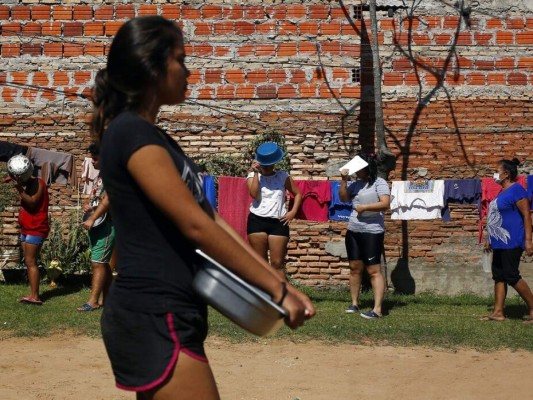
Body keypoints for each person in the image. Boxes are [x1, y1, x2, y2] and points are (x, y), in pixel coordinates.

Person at [91, 16, 315, 399]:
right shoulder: (129, 133)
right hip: (153, 311)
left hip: (173, 309)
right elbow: (195, 225)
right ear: (153, 66)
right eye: (180, 59)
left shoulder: (157, 138)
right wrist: (276, 290)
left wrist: (278, 282)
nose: (189, 70)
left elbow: (211, 218)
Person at [339, 153, 390, 319]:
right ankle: (354, 303)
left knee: (374, 270)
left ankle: (377, 309)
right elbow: (344, 198)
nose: (356, 172)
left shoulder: (379, 183)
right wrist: (344, 181)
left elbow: (385, 203)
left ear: (367, 168)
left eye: (358, 168)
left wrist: (365, 207)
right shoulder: (356, 184)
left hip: (372, 231)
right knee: (354, 268)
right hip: (354, 230)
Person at [482, 158, 533, 324]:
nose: (494, 174)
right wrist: (490, 237)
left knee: (511, 276)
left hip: (512, 240)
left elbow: (526, 215)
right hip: (499, 242)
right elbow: (496, 216)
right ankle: (498, 312)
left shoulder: (517, 190)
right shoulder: (501, 192)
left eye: (497, 170)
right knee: (499, 276)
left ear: (506, 174)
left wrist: (528, 240)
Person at [246, 142, 302, 281]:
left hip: (279, 221)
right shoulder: (253, 176)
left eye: (271, 163)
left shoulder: (283, 176)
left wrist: (293, 212)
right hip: (257, 220)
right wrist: (255, 173)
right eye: (266, 163)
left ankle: (284, 298)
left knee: (277, 263)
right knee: (261, 263)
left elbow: (298, 194)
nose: (268, 166)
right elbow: (253, 194)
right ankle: (264, 296)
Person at [7, 154, 49, 305]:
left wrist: (19, 188)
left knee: (31, 262)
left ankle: (35, 297)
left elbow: (32, 203)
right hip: (27, 228)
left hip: (36, 228)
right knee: (29, 261)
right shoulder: (27, 184)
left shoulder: (39, 183)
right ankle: (32, 293)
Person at [79, 143, 115, 312]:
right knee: (102, 263)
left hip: (107, 225)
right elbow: (97, 198)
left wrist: (92, 218)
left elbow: (107, 201)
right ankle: (107, 300)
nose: (92, 162)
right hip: (99, 224)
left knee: (97, 263)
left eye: (95, 158)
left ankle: (93, 301)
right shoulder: (101, 175)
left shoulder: (112, 175)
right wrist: (88, 206)